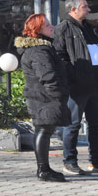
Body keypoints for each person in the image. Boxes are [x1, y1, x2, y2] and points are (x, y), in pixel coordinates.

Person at [53, 0, 98, 174]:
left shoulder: (89, 28)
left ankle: (96, 161)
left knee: (97, 123)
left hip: (96, 84)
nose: (89, 10)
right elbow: (59, 56)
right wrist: (74, 74)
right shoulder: (63, 29)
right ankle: (69, 161)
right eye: (85, 7)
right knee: (73, 124)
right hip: (77, 85)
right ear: (73, 9)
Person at [15, 14, 70, 182]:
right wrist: (57, 94)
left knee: (43, 130)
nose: (51, 26)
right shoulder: (39, 50)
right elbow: (47, 75)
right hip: (43, 98)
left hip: (42, 96)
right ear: (37, 30)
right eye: (47, 25)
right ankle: (43, 170)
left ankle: (44, 168)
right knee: (44, 130)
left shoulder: (41, 48)